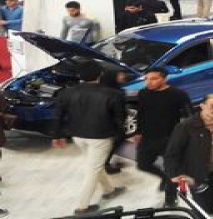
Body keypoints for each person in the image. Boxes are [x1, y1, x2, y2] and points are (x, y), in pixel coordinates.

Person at [52, 64, 126, 215]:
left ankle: (109, 190)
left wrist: (57, 135)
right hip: (101, 137)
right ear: (100, 75)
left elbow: (58, 115)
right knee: (93, 170)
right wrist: (120, 136)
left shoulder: (66, 93)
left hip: (77, 135)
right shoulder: (113, 94)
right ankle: (82, 207)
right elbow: (120, 118)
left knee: (95, 166)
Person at [165, 94, 213, 217]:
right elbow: (173, 152)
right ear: (202, 106)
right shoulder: (186, 126)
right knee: (202, 208)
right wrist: (173, 174)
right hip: (197, 174)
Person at [135, 68, 192, 208]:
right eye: (147, 79)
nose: (149, 82)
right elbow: (141, 113)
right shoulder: (143, 93)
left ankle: (170, 199)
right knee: (143, 164)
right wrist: (138, 132)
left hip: (170, 138)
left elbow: (189, 116)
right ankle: (165, 178)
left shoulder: (178, 94)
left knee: (172, 170)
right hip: (148, 137)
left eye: (154, 78)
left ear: (165, 79)